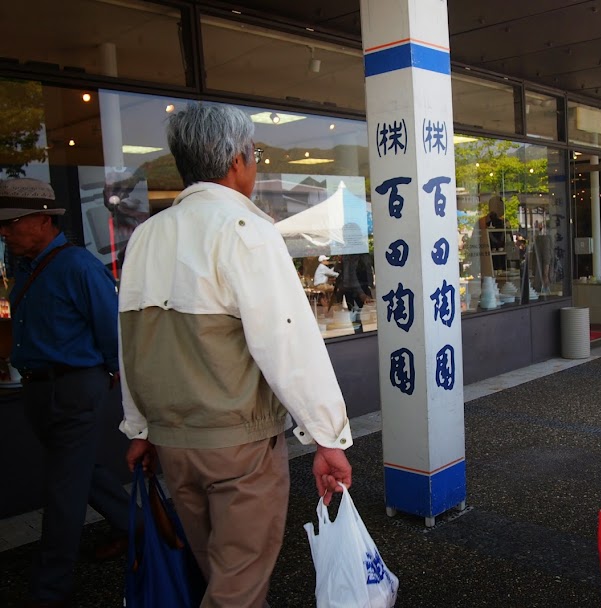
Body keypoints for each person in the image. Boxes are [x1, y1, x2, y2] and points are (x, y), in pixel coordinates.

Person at [118, 103, 353, 607]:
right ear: (236, 160)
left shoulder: (145, 237)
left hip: (174, 443)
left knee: (218, 571)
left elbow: (130, 343)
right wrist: (327, 437)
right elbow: (288, 342)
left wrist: (139, 427)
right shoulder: (246, 230)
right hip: (240, 445)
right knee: (238, 586)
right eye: (254, 155)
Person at [0, 178, 132, 607]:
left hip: (74, 387)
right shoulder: (23, 265)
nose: (4, 231)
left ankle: (48, 590)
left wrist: (108, 380)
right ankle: (141, 531)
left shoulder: (77, 265)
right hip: (40, 389)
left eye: (11, 222)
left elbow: (112, 331)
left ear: (42, 219)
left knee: (63, 490)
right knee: (79, 473)